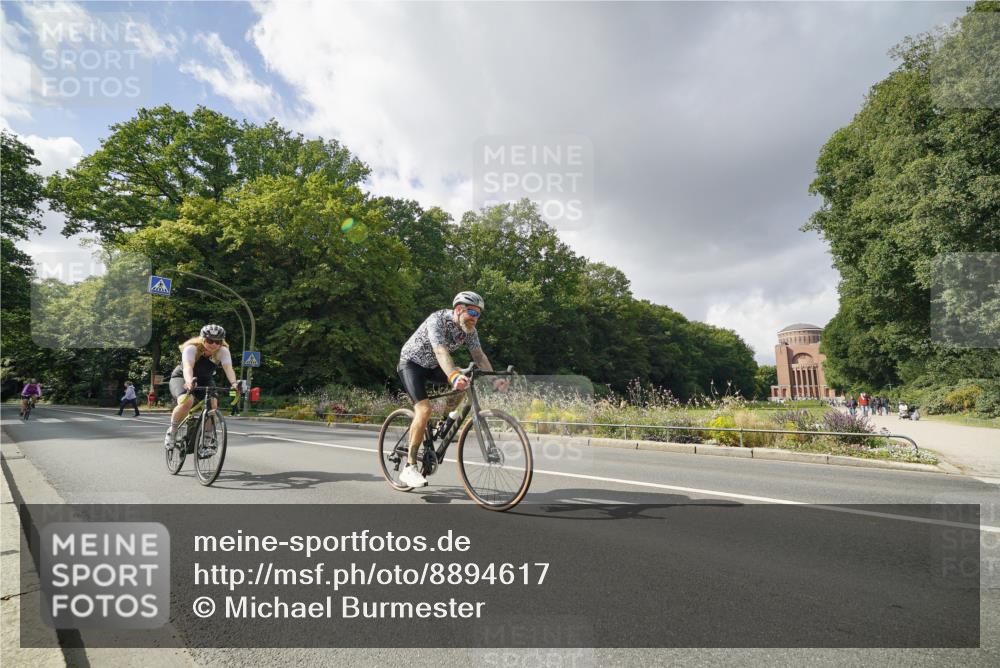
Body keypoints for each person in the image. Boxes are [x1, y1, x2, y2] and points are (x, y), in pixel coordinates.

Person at [396, 291, 507, 488]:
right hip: (411, 364)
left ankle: (444, 421)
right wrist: (452, 375)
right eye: (472, 312)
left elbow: (479, 356)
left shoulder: (470, 330)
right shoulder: (437, 320)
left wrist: (494, 380)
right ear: (458, 309)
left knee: (467, 377)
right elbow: (440, 351)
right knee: (424, 409)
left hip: (433, 367)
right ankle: (409, 467)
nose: (475, 318)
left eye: (478, 314)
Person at [163, 324, 241, 449]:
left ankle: (207, 438)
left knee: (213, 404)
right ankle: (172, 432)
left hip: (205, 379)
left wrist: (234, 384)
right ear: (202, 339)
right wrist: (188, 382)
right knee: (187, 402)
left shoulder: (223, 351)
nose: (214, 345)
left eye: (218, 342)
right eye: (210, 340)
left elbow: (228, 368)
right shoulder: (192, 348)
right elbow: (188, 367)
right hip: (182, 377)